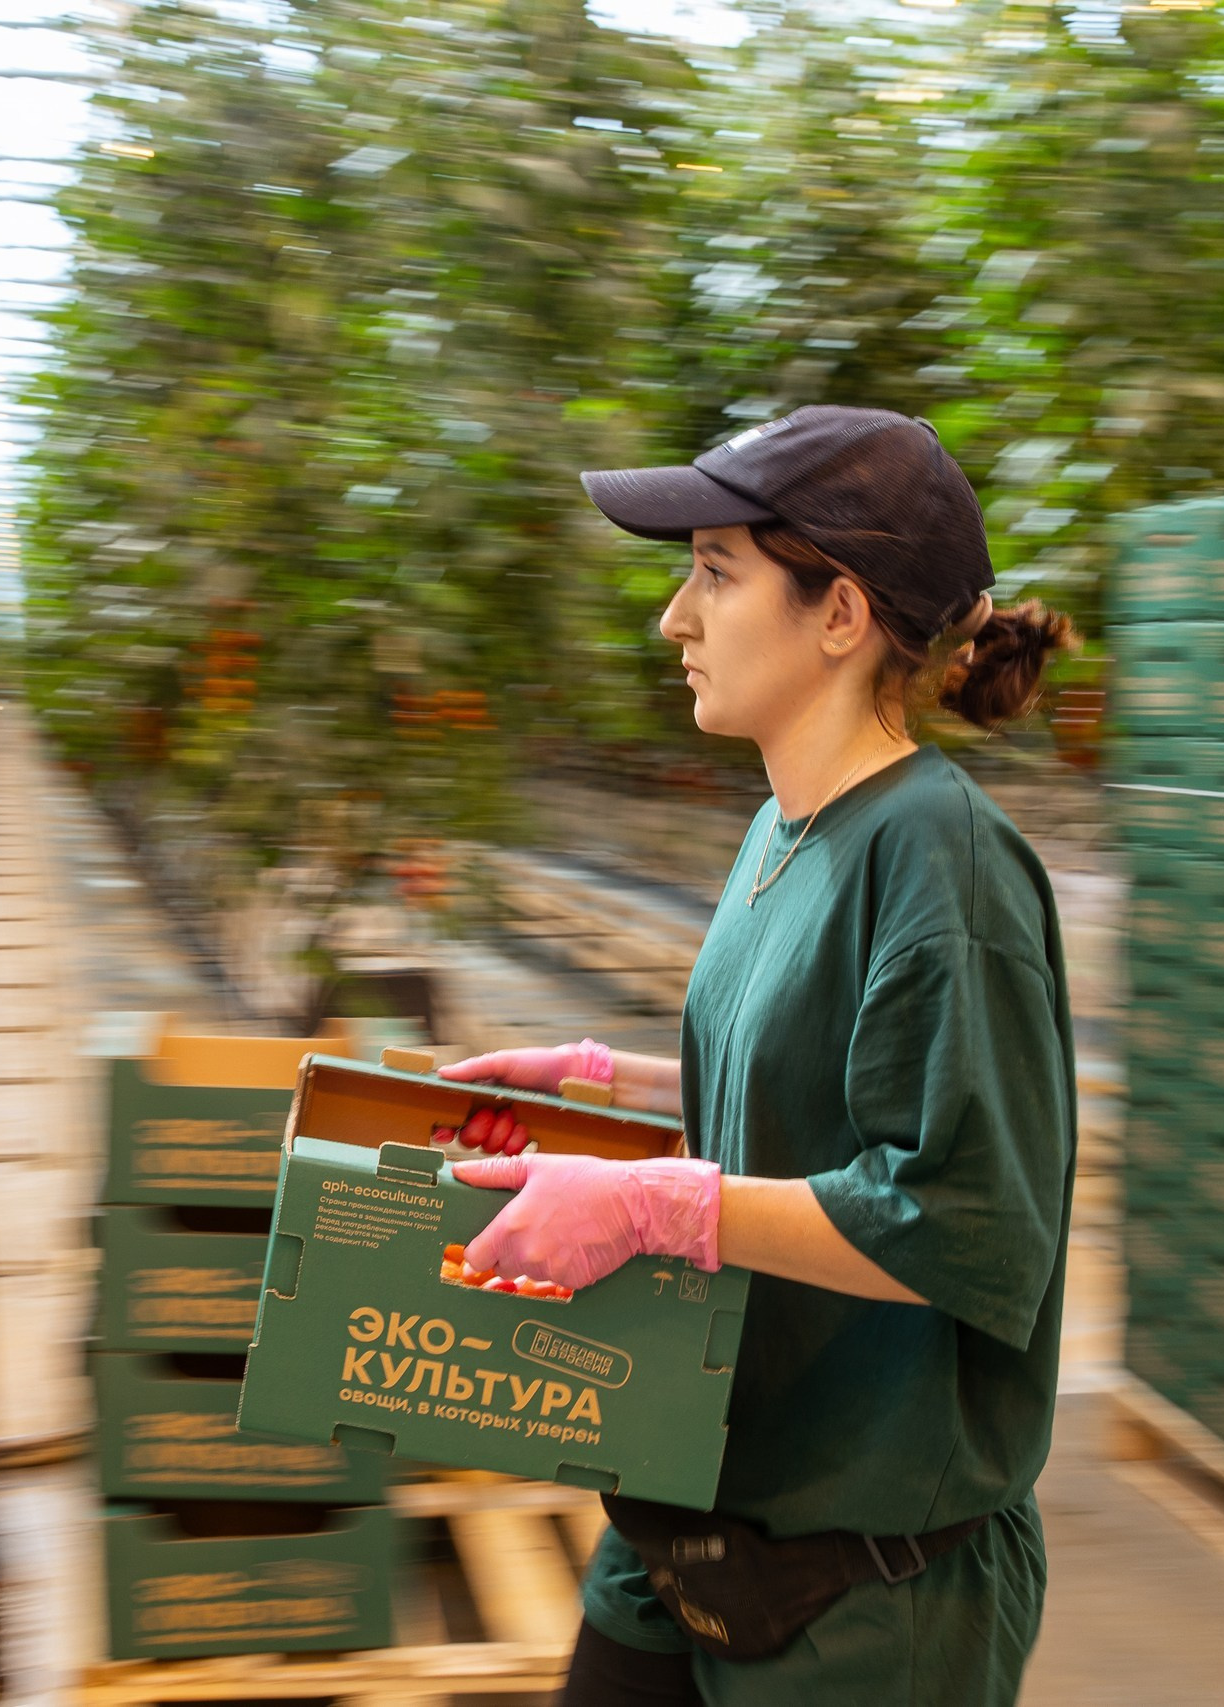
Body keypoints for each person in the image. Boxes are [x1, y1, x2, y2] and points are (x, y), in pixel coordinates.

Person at [439, 406, 1080, 1707]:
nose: (674, 618)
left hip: (867, 1584)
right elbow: (818, 1083)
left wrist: (652, 1206)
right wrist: (600, 1086)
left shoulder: (943, 866)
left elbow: (962, 1218)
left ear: (838, 614)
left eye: (716, 574)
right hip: (696, 1496)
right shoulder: (784, 829)